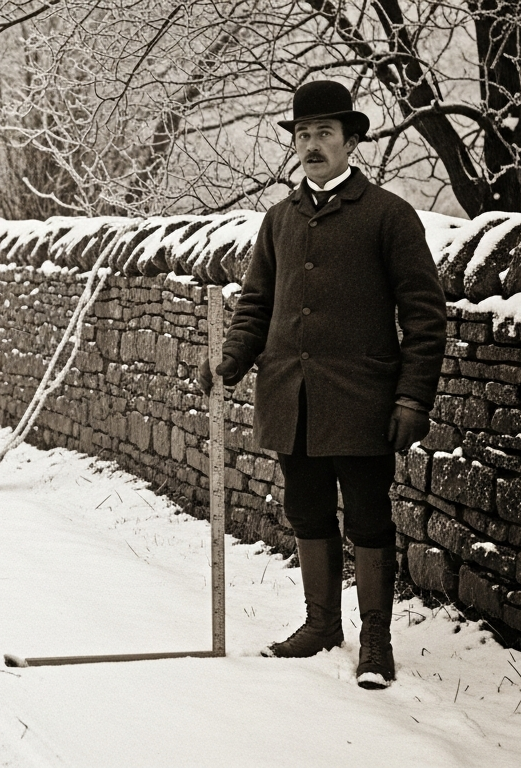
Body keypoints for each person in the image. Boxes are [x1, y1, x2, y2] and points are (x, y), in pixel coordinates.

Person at [197, 80, 446, 689]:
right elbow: (256, 305)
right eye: (303, 135)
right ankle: (321, 624)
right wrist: (231, 360)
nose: (312, 146)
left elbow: (424, 314)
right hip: (293, 398)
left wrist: (413, 396)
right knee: (305, 510)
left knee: (367, 517)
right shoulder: (279, 220)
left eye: (324, 135)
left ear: (350, 140)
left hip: (363, 401)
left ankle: (377, 641)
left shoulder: (389, 215)